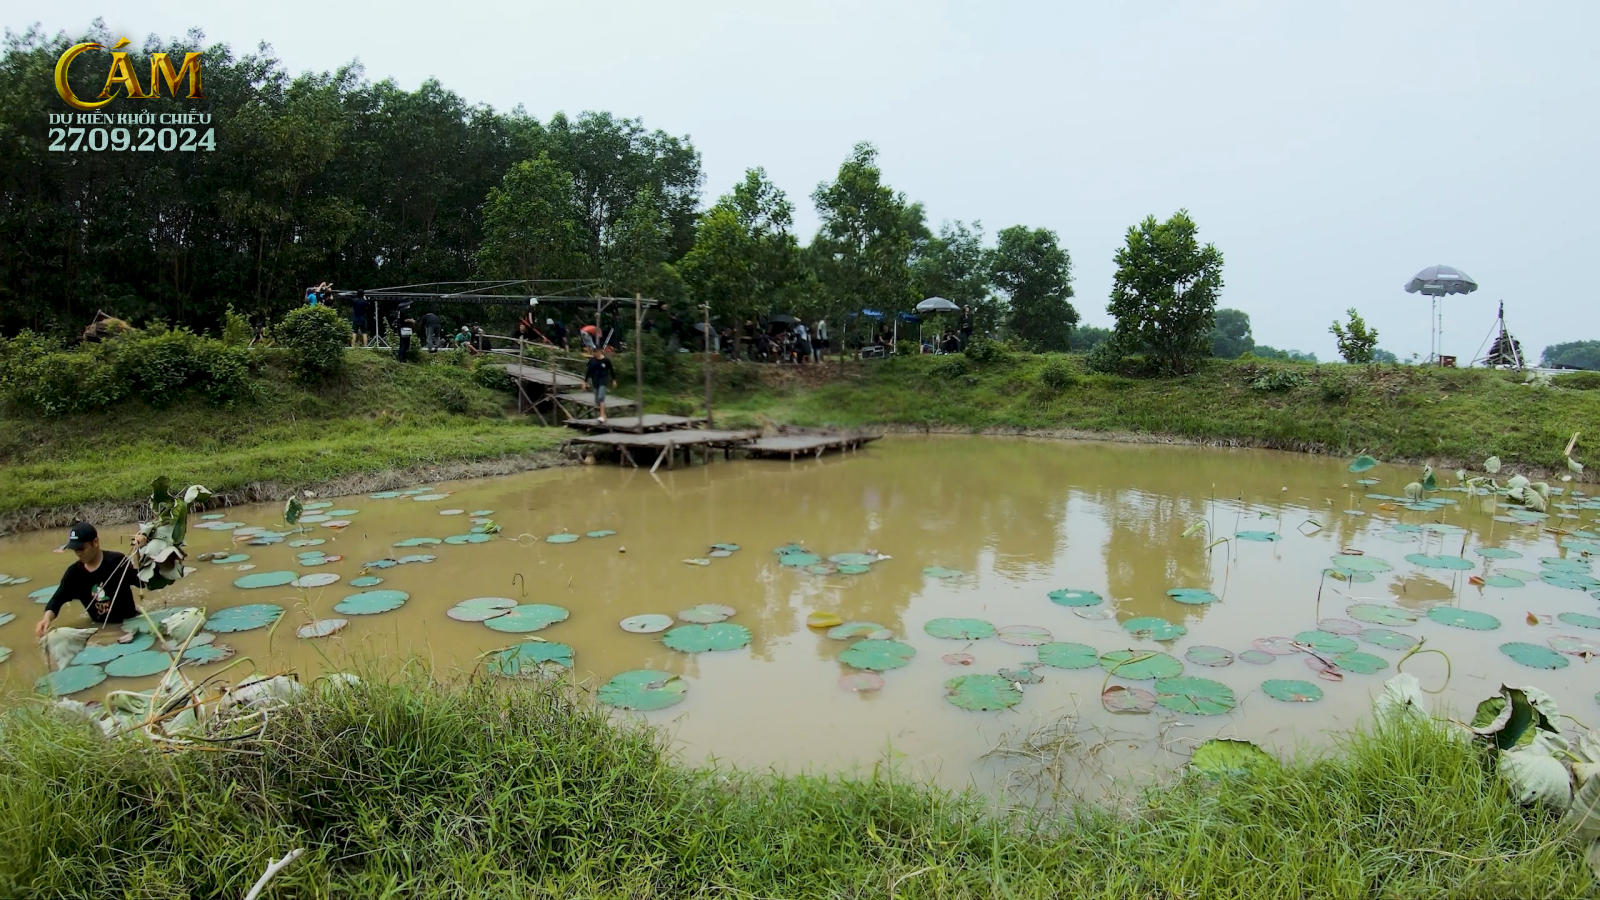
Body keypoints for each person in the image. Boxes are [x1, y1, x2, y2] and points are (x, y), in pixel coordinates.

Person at [35, 523, 145, 638]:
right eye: (75, 550)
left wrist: (140, 552)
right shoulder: (74, 574)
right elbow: (56, 600)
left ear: (95, 542)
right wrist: (46, 619)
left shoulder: (117, 561)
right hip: (101, 629)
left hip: (131, 624)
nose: (78, 554)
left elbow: (142, 582)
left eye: (82, 549)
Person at [585, 349, 617, 423]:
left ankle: (602, 415)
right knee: (597, 401)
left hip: (603, 381)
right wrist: (585, 381)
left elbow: (611, 370)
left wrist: (614, 380)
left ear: (599, 351)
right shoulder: (592, 361)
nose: (594, 353)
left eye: (595, 352)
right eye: (593, 352)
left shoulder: (606, 360)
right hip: (595, 381)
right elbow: (588, 372)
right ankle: (603, 415)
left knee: (601, 397)